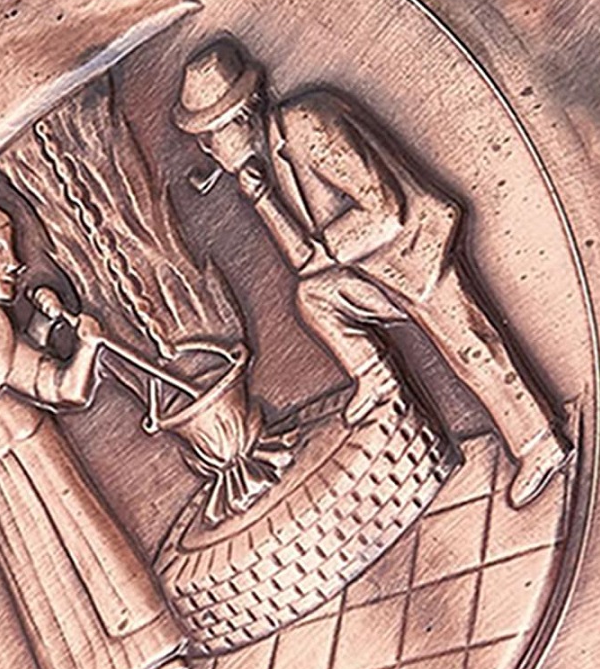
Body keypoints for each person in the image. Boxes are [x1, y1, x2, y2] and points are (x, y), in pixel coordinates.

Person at [172, 38, 569, 510]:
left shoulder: (307, 123)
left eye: (210, 134)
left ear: (241, 114)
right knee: (315, 297)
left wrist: (326, 251)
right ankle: (378, 378)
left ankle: (538, 442)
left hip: (414, 250)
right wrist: (258, 196)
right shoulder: (264, 165)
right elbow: (304, 263)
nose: (207, 148)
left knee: (470, 346)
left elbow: (384, 211)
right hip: (371, 268)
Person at [0, 200, 189, 669]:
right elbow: (61, 389)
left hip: (22, 452)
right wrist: (87, 348)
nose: (14, 264)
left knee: (69, 564)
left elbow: (10, 369)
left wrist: (40, 329)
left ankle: (132, 665)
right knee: (67, 564)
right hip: (18, 461)